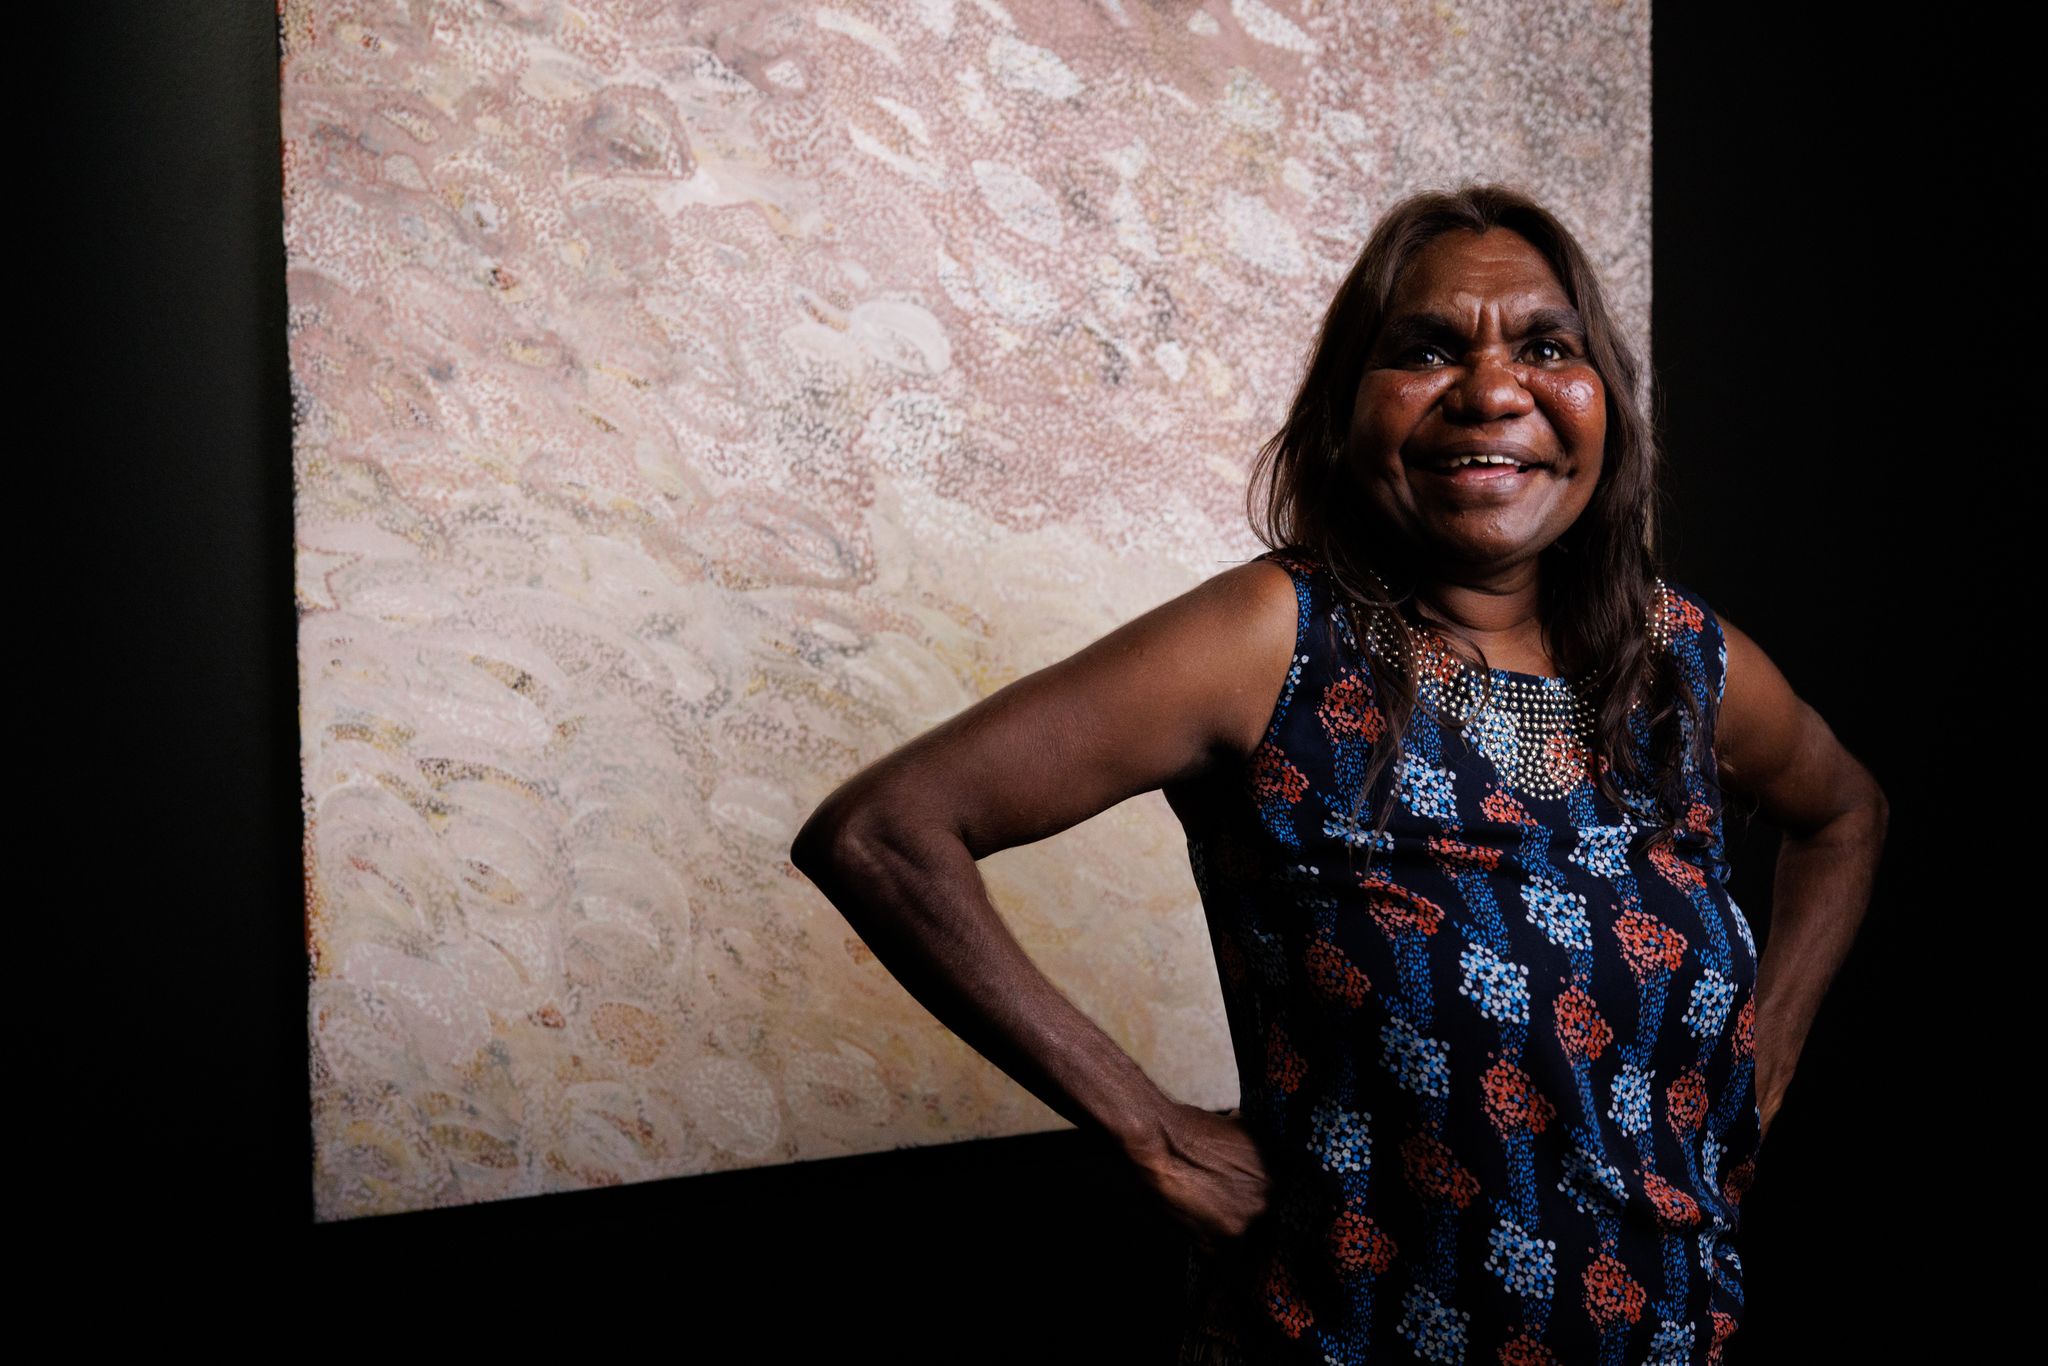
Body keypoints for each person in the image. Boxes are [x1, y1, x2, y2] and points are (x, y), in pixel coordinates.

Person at [789, 182, 1887, 1364]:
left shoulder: (1678, 661)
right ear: (1341, 411)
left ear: (1601, 400)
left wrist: (1763, 1050)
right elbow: (883, 830)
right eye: (1423, 348)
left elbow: (1843, 813)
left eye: (1545, 346)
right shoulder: (1275, 641)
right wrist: (1147, 1131)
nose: (1492, 389)